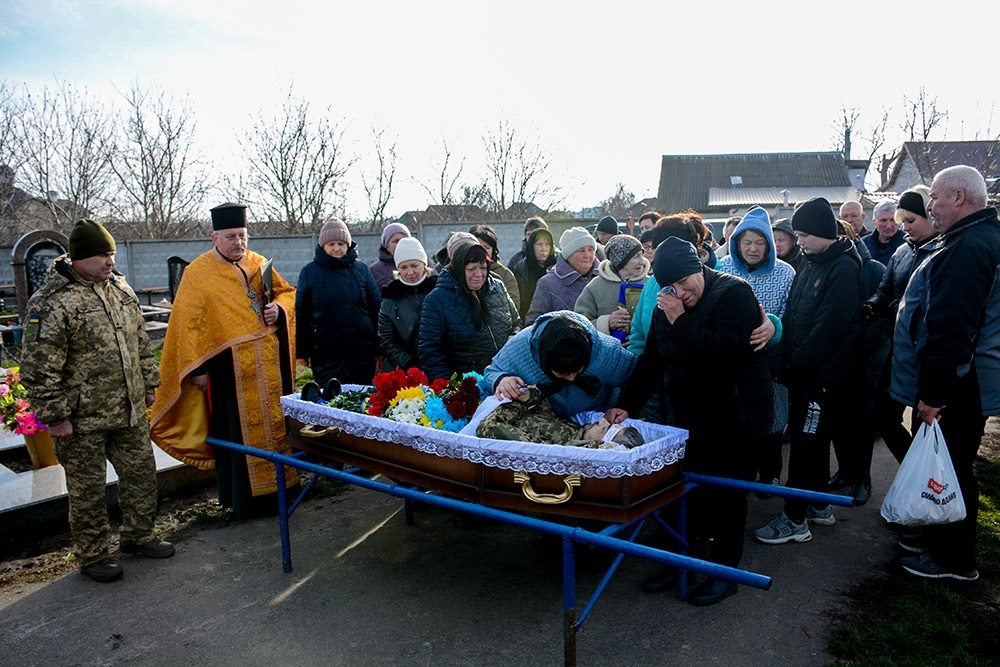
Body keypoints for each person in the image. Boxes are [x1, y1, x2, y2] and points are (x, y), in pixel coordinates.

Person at [608, 237, 773, 606]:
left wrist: (679, 321)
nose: (681, 293)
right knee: (687, 493)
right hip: (694, 416)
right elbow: (653, 361)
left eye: (686, 283)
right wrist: (626, 405)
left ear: (700, 269)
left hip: (738, 415)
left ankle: (724, 572)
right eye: (672, 287)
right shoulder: (665, 308)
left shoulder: (735, 294)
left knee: (727, 496)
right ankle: (683, 563)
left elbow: (727, 352)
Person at [21, 219, 173, 583]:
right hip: (81, 418)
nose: (110, 261)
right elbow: (39, 365)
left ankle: (138, 536)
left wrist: (149, 384)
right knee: (87, 492)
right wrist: (55, 417)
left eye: (112, 253)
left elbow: (140, 342)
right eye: (103, 255)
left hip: (128, 409)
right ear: (79, 258)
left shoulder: (120, 289)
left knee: (141, 477)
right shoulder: (53, 302)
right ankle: (92, 555)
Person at [151, 203, 299, 520]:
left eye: (243, 235)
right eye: (231, 236)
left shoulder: (259, 264)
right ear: (214, 237)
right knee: (236, 434)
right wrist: (199, 370)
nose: (238, 242)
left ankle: (282, 492)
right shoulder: (198, 273)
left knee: (276, 428)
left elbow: (287, 293)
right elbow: (187, 326)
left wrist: (280, 310)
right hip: (228, 373)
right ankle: (245, 501)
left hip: (269, 369)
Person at [890, 165, 1000, 581]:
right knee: (950, 463)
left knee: (951, 468)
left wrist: (934, 395)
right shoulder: (975, 238)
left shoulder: (968, 247)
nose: (929, 205)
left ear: (959, 197)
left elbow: (953, 329)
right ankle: (938, 539)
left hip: (959, 384)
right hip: (964, 380)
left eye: (934, 197)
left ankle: (953, 559)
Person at [754, 197, 862, 545]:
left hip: (821, 379)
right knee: (811, 444)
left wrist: (794, 367)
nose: (797, 242)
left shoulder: (843, 269)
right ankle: (816, 504)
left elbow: (827, 331)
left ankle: (795, 517)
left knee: (805, 445)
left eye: (803, 235)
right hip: (803, 374)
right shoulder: (811, 262)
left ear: (820, 232)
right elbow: (794, 314)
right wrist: (783, 357)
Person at [718, 207, 795, 491]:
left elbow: (791, 315)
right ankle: (742, 473)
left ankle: (771, 472)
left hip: (769, 360)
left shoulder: (785, 273)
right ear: (737, 242)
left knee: (773, 420)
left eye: (759, 242)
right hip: (732, 359)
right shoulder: (722, 268)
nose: (752, 248)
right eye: (747, 242)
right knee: (738, 419)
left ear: (769, 245)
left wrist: (776, 331)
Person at [864, 186, 937, 463]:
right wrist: (870, 306)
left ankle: (927, 486)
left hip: (928, 352)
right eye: (901, 221)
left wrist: (896, 307)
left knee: (924, 424)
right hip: (898, 347)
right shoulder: (902, 252)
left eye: (910, 221)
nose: (904, 228)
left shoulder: (944, 251)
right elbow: (885, 291)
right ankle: (913, 469)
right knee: (883, 417)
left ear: (930, 216)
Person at [485, 310, 636, 420]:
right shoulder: (520, 346)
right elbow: (492, 371)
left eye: (577, 371)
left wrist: (622, 406)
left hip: (596, 421)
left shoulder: (606, 350)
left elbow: (636, 378)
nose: (571, 379)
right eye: (562, 373)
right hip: (539, 423)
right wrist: (502, 379)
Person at [418, 239, 521, 381]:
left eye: (483, 267)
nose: (479, 274)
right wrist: (450, 390)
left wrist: (513, 335)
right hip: (468, 385)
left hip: (505, 377)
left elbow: (516, 322)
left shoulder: (497, 287)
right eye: (472, 269)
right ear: (459, 268)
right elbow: (431, 352)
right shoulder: (437, 300)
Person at [296, 218, 381, 386]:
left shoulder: (362, 270)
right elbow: (301, 313)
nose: (336, 248)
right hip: (326, 353)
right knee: (331, 401)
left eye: (341, 243)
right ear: (323, 246)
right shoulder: (309, 272)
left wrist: (379, 346)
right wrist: (302, 351)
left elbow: (376, 306)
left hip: (362, 351)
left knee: (361, 400)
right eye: (331, 244)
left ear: (348, 244)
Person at [476, 386, 643, 450]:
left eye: (605, 428)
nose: (601, 421)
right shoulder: (573, 430)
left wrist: (518, 403)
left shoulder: (555, 447)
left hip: (490, 415)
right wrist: (530, 397)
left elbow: (489, 427)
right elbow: (544, 414)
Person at [378, 237, 437, 372]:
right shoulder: (390, 299)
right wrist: (409, 364)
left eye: (414, 265)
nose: (410, 272)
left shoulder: (438, 289)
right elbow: (387, 340)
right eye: (403, 267)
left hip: (439, 366)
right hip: (404, 369)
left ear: (424, 264)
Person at [574, 234, 649, 340]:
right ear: (621, 261)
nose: (642, 261)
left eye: (642, 255)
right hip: (606, 353)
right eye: (636, 256)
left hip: (644, 353)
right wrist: (606, 323)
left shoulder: (651, 284)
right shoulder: (595, 287)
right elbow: (579, 324)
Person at [525, 227, 600, 325]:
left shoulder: (604, 279)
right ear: (568, 255)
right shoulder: (547, 284)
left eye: (591, 250)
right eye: (581, 250)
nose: (587, 255)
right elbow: (533, 325)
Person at [470, 223, 520, 310]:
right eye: (478, 246)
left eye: (487, 247)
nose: (482, 251)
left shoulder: (505, 275)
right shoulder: (464, 271)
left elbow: (513, 308)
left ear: (493, 250)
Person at [510, 226, 556, 318]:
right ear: (531, 246)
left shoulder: (558, 267)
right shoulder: (521, 269)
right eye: (539, 244)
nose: (544, 249)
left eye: (547, 245)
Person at [863, 200, 906, 266]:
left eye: (892, 220)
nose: (888, 226)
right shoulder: (864, 244)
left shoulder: (908, 244)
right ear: (875, 222)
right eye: (883, 220)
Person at [369, 222, 411, 289]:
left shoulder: (425, 265)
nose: (400, 243)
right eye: (395, 241)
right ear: (387, 246)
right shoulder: (373, 271)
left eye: (403, 240)